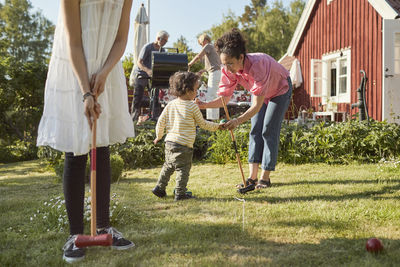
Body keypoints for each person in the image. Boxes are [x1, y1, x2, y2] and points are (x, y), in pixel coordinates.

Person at [36, 0, 135, 263]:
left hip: (106, 68)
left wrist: (104, 73)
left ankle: (103, 227)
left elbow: (121, 39)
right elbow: (74, 42)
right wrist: (86, 91)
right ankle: (75, 234)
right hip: (75, 70)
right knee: (77, 148)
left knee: (101, 145)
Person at [196, 29, 293, 190]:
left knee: (268, 129)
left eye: (230, 63)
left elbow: (256, 105)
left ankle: (265, 178)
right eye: (224, 64)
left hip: (280, 89)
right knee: (255, 129)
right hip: (262, 93)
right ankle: (252, 178)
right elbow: (225, 99)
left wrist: (237, 121)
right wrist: (204, 105)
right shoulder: (229, 70)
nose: (227, 67)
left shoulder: (258, 65)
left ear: (241, 57)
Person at [152, 71, 223, 201]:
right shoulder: (192, 107)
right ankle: (180, 193)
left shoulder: (171, 104)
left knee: (168, 165)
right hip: (184, 145)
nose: (197, 92)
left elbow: (160, 121)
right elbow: (203, 124)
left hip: (170, 142)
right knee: (183, 169)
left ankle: (159, 188)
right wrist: (217, 126)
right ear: (189, 91)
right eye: (196, 90)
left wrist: (159, 136)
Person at [131, 30, 169, 121]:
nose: (165, 43)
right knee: (138, 97)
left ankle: (155, 119)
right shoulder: (148, 47)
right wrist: (148, 70)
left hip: (154, 77)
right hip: (142, 74)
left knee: (156, 98)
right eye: (164, 40)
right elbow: (139, 62)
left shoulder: (162, 50)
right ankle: (133, 119)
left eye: (166, 41)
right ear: (158, 38)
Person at [188, 33, 222, 120]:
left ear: (203, 40)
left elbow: (199, 56)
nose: (201, 46)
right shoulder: (213, 48)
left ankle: (212, 119)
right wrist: (203, 70)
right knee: (214, 95)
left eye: (200, 43)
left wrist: (190, 64)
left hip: (215, 73)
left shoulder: (208, 46)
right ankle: (214, 118)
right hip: (216, 72)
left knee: (211, 95)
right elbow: (215, 63)